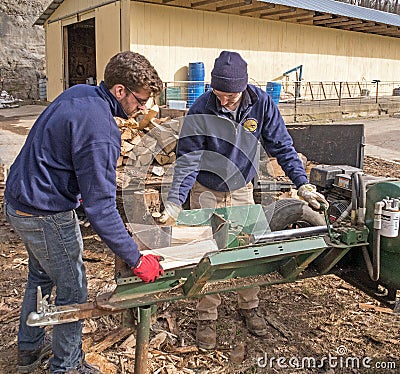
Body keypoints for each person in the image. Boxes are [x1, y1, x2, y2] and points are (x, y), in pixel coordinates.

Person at [4, 51, 164, 373]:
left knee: (41, 275)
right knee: (73, 287)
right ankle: (67, 366)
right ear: (119, 91)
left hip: (18, 201)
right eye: (140, 100)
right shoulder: (102, 131)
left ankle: (29, 348)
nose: (144, 108)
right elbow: (101, 208)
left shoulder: (81, 93)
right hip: (44, 211)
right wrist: (135, 258)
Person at [159, 50, 328, 350]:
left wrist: (303, 184)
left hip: (242, 188)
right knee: (207, 252)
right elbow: (187, 160)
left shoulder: (262, 104)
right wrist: (174, 202)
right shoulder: (201, 108)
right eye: (218, 94)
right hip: (205, 189)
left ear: (244, 87)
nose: (223, 101)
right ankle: (207, 316)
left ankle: (249, 306)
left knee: (247, 248)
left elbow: (283, 147)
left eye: (230, 96)